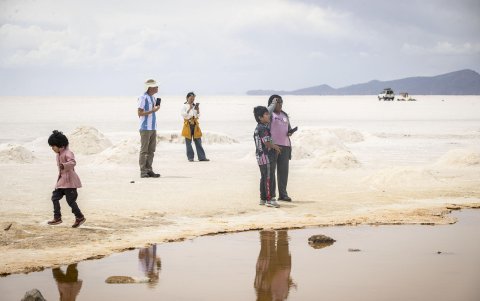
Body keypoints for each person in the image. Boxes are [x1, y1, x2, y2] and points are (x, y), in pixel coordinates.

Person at [47, 130, 86, 228]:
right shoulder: (58, 155)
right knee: (54, 197)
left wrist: (64, 165)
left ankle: (79, 217)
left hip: (70, 183)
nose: (52, 148)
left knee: (71, 201)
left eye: (53, 146)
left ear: (59, 144)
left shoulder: (68, 153)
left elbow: (73, 162)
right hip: (62, 182)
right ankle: (57, 217)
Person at [254, 230, 295, 300]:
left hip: (275, 268)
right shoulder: (282, 296)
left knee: (272, 236)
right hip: (283, 269)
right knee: (280, 236)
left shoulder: (262, 292)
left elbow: (262, 277)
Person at [267, 95, 294, 202]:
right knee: (272, 171)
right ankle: (271, 195)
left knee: (283, 172)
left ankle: (283, 194)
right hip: (273, 146)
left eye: (281, 102)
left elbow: (289, 127)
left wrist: (290, 131)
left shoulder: (284, 115)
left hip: (285, 146)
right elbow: (268, 111)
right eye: (278, 102)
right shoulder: (268, 114)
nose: (280, 104)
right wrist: (272, 104)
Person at [253, 106, 281, 208]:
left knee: (264, 178)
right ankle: (271, 199)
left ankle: (263, 198)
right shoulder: (263, 128)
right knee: (269, 178)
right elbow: (267, 142)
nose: (268, 115)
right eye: (266, 114)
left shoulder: (258, 128)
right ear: (260, 117)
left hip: (260, 157)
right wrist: (276, 147)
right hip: (266, 157)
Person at [138, 79, 161, 178]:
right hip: (145, 127)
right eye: (156, 86)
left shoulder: (153, 98)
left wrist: (155, 109)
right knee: (144, 151)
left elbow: (153, 111)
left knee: (151, 150)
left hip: (152, 127)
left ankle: (149, 169)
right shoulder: (143, 98)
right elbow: (139, 113)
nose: (157, 88)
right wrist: (153, 110)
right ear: (150, 88)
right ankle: (143, 171)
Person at [181, 92, 209, 162]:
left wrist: (198, 110)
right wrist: (189, 109)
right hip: (188, 125)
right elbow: (184, 115)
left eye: (193, 99)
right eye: (191, 98)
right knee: (188, 142)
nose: (192, 100)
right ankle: (190, 158)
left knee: (198, 141)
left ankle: (202, 157)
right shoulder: (184, 106)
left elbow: (197, 116)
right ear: (187, 98)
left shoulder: (194, 106)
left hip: (195, 125)